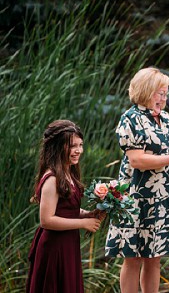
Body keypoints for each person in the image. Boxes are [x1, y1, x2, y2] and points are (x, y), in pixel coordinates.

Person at [105, 67, 169, 293]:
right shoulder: (130, 118)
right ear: (145, 91)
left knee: (155, 257)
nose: (164, 98)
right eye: (160, 93)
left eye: (165, 93)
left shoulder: (164, 116)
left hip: (164, 196)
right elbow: (136, 161)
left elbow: (160, 153)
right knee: (132, 256)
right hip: (138, 196)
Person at [26, 120, 103, 293]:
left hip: (68, 243)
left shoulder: (68, 172)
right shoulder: (52, 178)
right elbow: (46, 220)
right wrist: (83, 224)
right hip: (54, 248)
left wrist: (88, 214)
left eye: (80, 145)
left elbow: (66, 209)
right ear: (57, 147)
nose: (78, 151)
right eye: (72, 146)